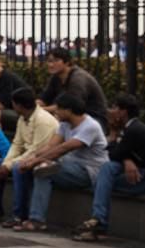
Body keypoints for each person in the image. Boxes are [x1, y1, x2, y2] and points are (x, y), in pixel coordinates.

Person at [18, 93, 109, 232]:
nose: (55, 111)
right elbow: (50, 146)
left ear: (69, 110)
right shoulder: (64, 124)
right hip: (70, 166)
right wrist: (31, 157)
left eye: (58, 108)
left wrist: (35, 161)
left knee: (44, 169)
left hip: (89, 171)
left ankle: (36, 220)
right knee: (41, 170)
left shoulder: (90, 126)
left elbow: (62, 149)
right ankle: (29, 217)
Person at [0, 87, 58, 225]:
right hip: (26, 155)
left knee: (18, 168)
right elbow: (17, 144)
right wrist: (6, 162)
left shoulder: (43, 120)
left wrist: (10, 165)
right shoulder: (23, 119)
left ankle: (19, 215)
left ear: (19, 105)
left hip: (41, 157)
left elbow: (36, 150)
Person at [74, 95, 145, 241]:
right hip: (138, 175)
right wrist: (127, 160)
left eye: (114, 107)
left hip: (143, 178)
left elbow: (114, 153)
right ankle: (98, 224)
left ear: (123, 112)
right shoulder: (131, 128)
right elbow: (118, 153)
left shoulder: (134, 129)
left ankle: (99, 223)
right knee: (106, 173)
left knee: (104, 176)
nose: (110, 111)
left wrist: (113, 135)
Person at [39, 47, 109, 127]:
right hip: (70, 116)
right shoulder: (56, 77)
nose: (51, 64)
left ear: (67, 62)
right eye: (49, 61)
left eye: (56, 60)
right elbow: (44, 99)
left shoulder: (78, 78)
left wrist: (39, 110)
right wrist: (33, 105)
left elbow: (70, 106)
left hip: (94, 118)